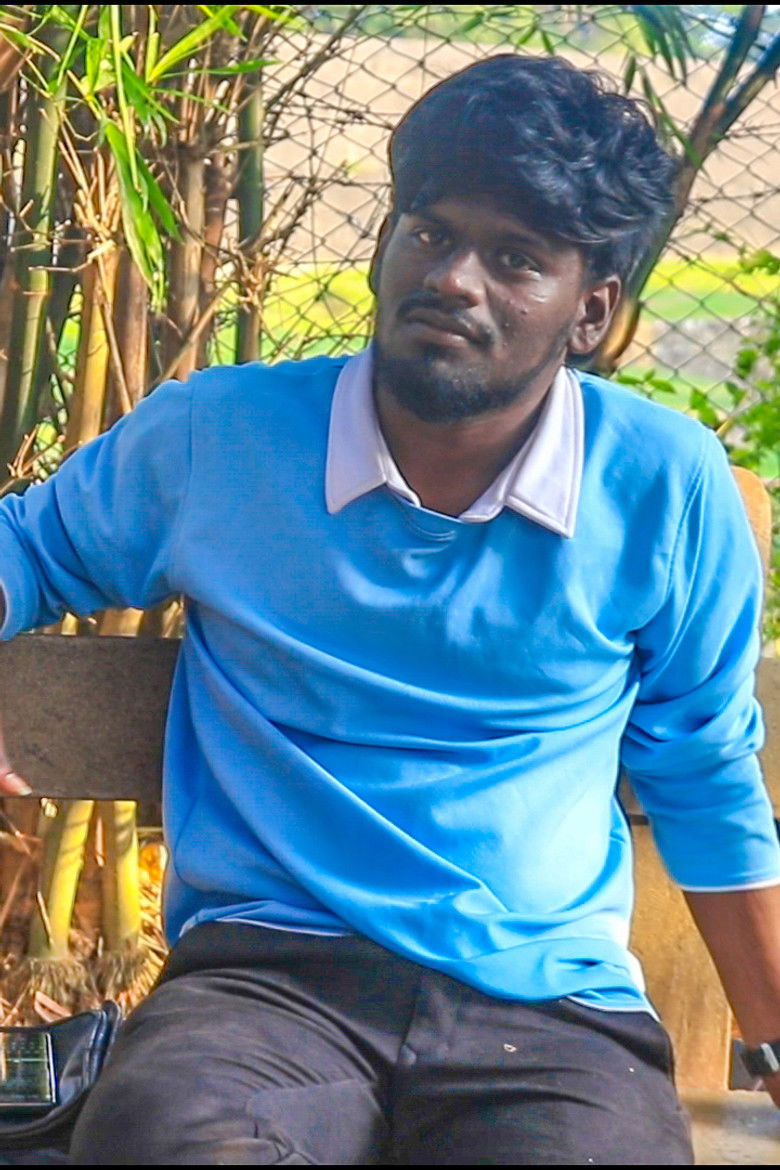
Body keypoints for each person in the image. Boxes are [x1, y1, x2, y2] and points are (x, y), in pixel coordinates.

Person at [1, 53, 779, 1165]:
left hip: (548, 1010)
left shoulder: (663, 485)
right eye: (430, 231)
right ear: (385, 244)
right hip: (263, 984)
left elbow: (701, 766)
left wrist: (771, 1037)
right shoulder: (218, 438)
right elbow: (28, 548)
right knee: (165, 1145)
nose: (454, 279)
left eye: (515, 258)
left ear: (592, 311)